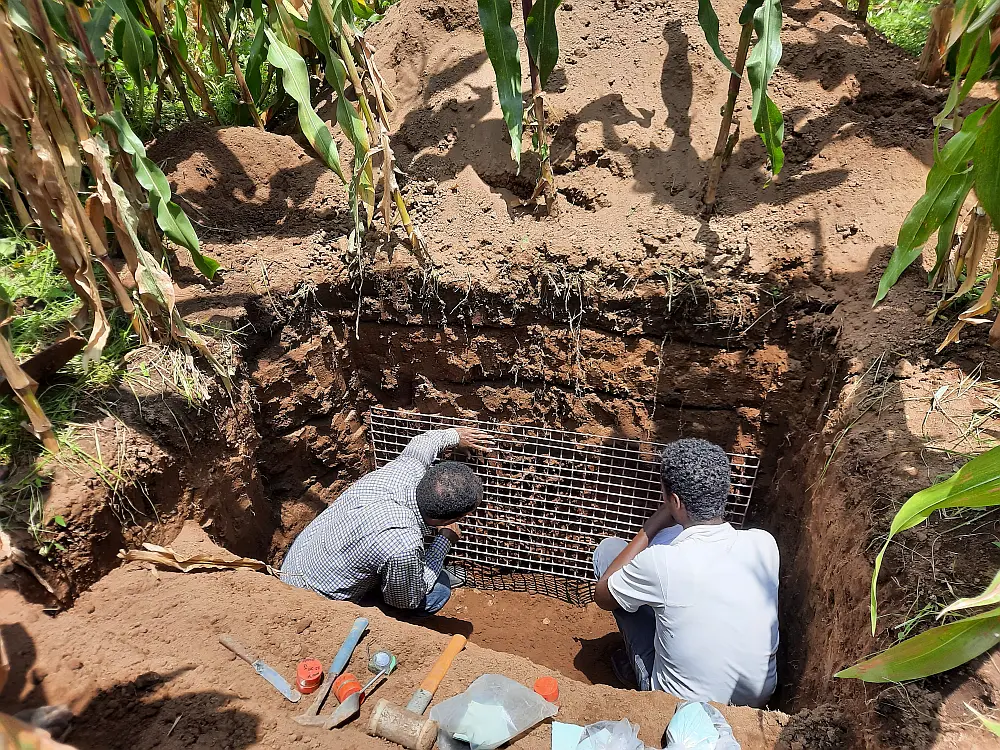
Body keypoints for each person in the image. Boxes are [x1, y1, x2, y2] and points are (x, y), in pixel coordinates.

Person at [593, 438, 779, 708]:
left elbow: (602, 595)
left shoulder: (661, 562)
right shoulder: (764, 544)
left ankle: (639, 672)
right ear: (725, 490)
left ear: (675, 501)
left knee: (608, 552)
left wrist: (654, 523)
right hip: (755, 702)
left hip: (682, 705)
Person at [280, 426, 493, 616]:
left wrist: (456, 435)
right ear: (452, 519)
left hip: (295, 566)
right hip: (312, 601)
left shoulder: (406, 470)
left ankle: (405, 573)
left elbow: (425, 441)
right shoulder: (403, 543)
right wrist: (443, 542)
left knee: (394, 564)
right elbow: (404, 600)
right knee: (439, 590)